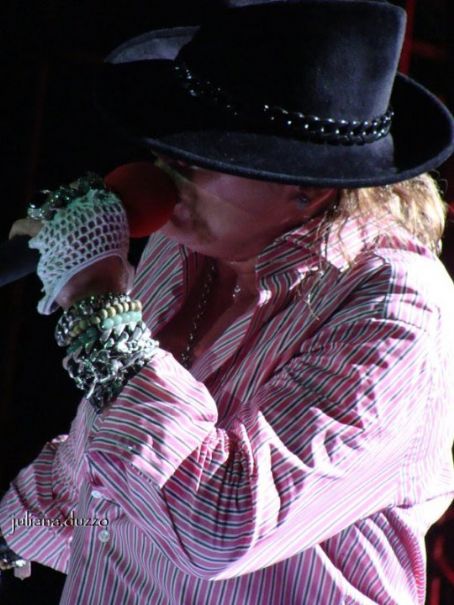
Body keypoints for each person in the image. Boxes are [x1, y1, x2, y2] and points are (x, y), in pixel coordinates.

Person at [1, 1, 454, 603]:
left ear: (310, 185)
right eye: (166, 148)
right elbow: (115, 478)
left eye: (200, 157)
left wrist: (98, 308)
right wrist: (15, 532)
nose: (165, 171)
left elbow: (220, 524)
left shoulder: (395, 303)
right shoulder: (184, 246)